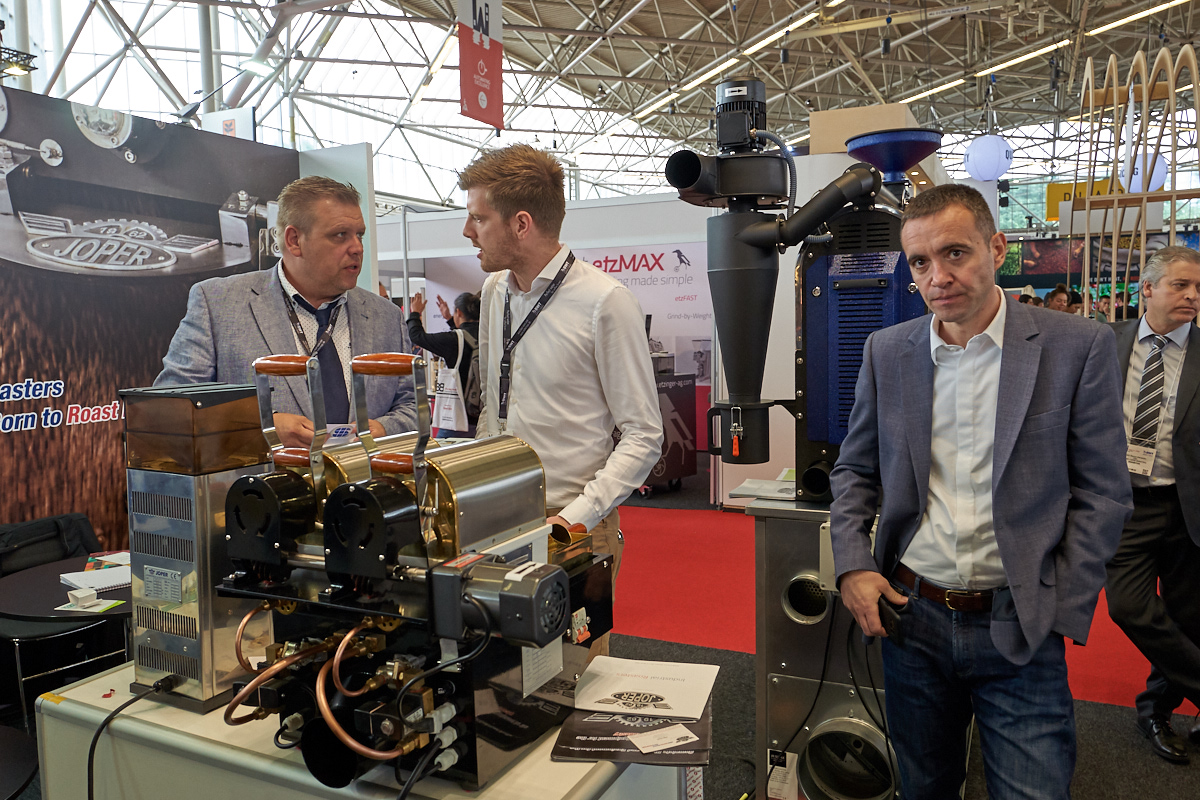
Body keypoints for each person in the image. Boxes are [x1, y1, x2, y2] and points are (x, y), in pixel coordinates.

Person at [830, 183, 1132, 799]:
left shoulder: (1076, 346)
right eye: (920, 262)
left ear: (995, 248)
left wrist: (1059, 606)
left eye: (955, 253)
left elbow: (1103, 490)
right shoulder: (888, 351)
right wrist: (853, 565)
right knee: (924, 787)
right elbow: (854, 471)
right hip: (912, 617)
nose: (938, 277)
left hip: (1018, 621)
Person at [459, 144, 664, 652]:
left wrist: (576, 517)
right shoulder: (494, 293)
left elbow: (643, 434)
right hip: (499, 520)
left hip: (572, 526)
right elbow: (494, 406)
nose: (467, 232)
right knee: (501, 675)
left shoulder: (605, 302)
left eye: (478, 219)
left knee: (576, 677)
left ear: (521, 224)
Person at [155, 176, 417, 445]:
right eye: (340, 235)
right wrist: (261, 426)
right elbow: (169, 407)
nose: (357, 248)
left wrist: (384, 429)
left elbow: (412, 407)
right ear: (294, 240)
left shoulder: (386, 317)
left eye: (359, 235)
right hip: (264, 473)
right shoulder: (219, 304)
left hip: (360, 472)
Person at [1104, 245, 1200, 764]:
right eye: (1181, 285)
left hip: (1188, 507)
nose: (1192, 296)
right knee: (1128, 606)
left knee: (1188, 617)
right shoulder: (1105, 342)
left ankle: (1156, 711)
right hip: (1125, 504)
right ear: (1147, 289)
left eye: (1198, 288)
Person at [407, 291, 481, 437]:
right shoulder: (487, 335)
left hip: (457, 418)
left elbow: (417, 336)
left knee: (442, 450)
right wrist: (450, 319)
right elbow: (465, 336)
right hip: (482, 415)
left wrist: (415, 313)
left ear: (458, 312)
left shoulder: (453, 340)